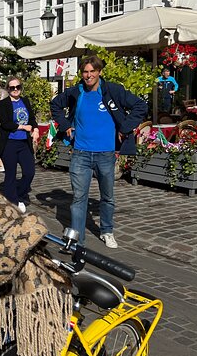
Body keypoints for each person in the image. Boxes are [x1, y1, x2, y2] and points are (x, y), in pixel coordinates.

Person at [51, 55, 147, 248]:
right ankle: (77, 239)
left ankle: (107, 230)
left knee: (107, 196)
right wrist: (65, 125)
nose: (88, 75)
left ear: (99, 72)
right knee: (78, 198)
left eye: (92, 71)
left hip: (106, 154)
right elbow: (55, 105)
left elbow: (140, 106)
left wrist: (125, 128)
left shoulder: (113, 90)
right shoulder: (75, 92)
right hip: (81, 153)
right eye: (85, 72)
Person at [0, 76, 39, 213]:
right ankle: (13, 201)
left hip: (24, 143)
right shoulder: (3, 103)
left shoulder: (25, 101)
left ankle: (18, 194)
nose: (15, 90)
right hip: (9, 142)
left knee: (29, 172)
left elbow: (31, 118)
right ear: (8, 89)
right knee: (10, 174)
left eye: (17, 87)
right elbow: (5, 123)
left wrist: (35, 129)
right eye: (12, 87)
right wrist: (23, 127)